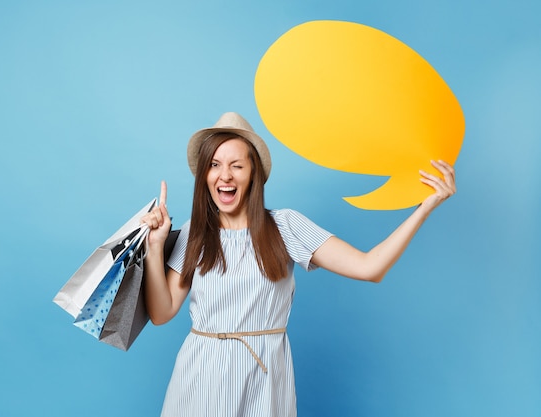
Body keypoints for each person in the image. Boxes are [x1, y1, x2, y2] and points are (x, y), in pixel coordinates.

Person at [141, 112, 456, 417]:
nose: (225, 175)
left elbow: (370, 268)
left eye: (237, 165)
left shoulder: (285, 226)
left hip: (264, 379)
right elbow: (161, 312)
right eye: (215, 165)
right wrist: (156, 248)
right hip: (200, 377)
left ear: (253, 174)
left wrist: (424, 208)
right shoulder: (195, 230)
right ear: (204, 175)